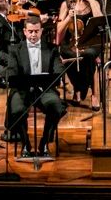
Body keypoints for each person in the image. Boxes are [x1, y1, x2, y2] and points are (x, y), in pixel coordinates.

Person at [5, 16, 66, 156]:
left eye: (36, 31)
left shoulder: (52, 49)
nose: (33, 35)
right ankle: (26, 145)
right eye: (30, 31)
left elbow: (59, 69)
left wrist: (58, 72)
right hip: (22, 90)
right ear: (25, 32)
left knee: (56, 107)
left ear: (41, 31)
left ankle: (44, 144)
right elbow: (12, 71)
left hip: (44, 89)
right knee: (17, 110)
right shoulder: (15, 49)